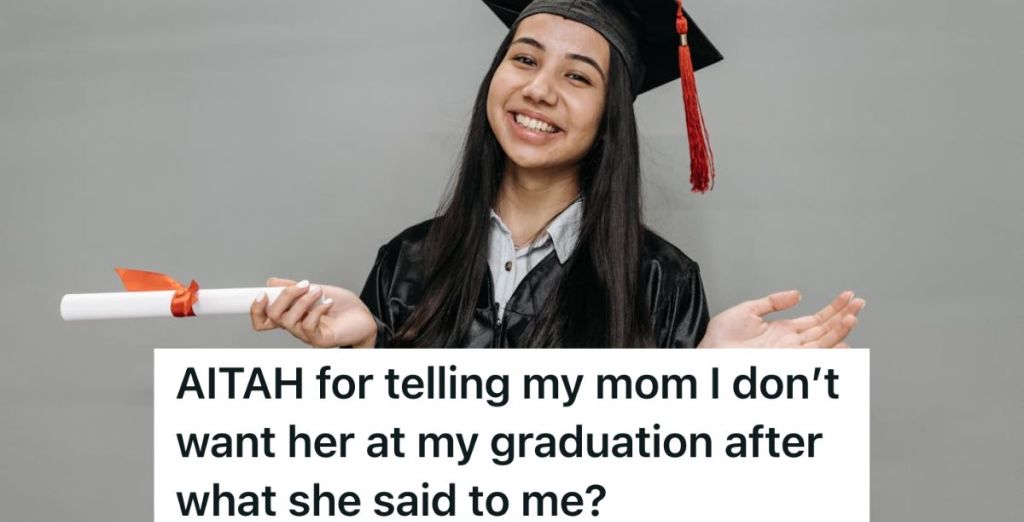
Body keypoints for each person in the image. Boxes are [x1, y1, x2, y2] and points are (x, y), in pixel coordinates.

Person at [250, 0, 865, 348]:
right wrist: (366, 353)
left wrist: (706, 383)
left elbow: (669, 490)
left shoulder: (660, 280)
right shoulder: (409, 260)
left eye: (577, 76)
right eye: (524, 59)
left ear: (609, 117)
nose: (538, 90)